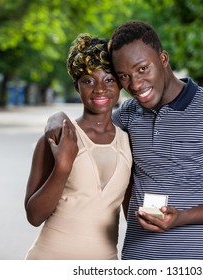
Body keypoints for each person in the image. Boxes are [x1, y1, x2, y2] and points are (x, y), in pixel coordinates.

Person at [46, 21, 203, 260]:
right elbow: (87, 130)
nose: (136, 85)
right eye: (124, 76)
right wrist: (56, 119)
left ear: (163, 59)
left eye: (142, 69)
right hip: (136, 257)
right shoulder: (129, 114)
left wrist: (183, 218)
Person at [24, 33, 132, 259]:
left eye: (109, 79)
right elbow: (34, 216)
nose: (99, 88)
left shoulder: (129, 142)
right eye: (88, 81)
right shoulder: (58, 136)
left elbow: (133, 212)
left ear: (121, 84)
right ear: (77, 86)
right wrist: (62, 166)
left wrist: (197, 223)